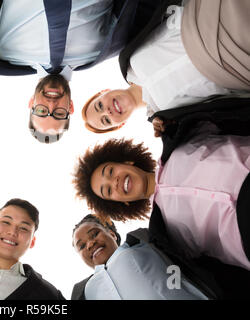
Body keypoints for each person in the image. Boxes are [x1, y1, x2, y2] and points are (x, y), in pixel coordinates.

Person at [0, 0, 165, 143]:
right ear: (71, 108)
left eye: (41, 111)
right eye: (58, 114)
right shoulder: (104, 49)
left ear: (31, 103)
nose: (51, 105)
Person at [73, 135, 250, 273]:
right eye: (108, 191)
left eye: (110, 171)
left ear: (126, 162)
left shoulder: (181, 142)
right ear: (122, 203)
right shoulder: (167, 233)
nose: (115, 182)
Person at [82, 0, 250, 133]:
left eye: (99, 106)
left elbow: (157, 14)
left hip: (208, 16)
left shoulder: (128, 60)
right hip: (234, 65)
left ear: (102, 93)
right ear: (120, 125)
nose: (107, 112)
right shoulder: (164, 119)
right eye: (106, 120)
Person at [71, 214, 211, 299]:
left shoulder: (143, 244)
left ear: (112, 234)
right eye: (82, 246)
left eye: (94, 234)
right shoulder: (87, 291)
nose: (90, 244)